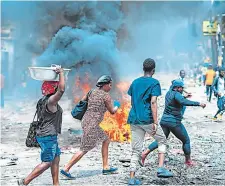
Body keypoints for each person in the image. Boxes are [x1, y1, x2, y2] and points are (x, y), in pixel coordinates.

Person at [60, 75, 120, 179]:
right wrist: (117, 106)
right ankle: (66, 168)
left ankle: (106, 167)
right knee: (84, 149)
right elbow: (112, 112)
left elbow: (83, 102)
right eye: (110, 85)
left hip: (86, 121)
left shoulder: (91, 92)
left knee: (106, 140)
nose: (110, 87)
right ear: (105, 85)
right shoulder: (106, 96)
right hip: (92, 125)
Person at [127, 58, 173, 185]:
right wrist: (155, 121)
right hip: (147, 119)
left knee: (135, 150)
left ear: (143, 69)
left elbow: (132, 101)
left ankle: (131, 178)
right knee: (162, 140)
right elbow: (153, 102)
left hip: (134, 119)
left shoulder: (135, 82)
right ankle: (160, 168)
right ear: (153, 70)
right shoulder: (154, 83)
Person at [141, 80, 206, 167]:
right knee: (186, 140)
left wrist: (184, 97)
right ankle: (188, 161)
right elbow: (183, 102)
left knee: (161, 140)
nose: (182, 89)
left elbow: (177, 100)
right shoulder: (177, 94)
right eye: (181, 88)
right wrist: (199, 103)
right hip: (174, 122)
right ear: (177, 88)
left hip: (164, 121)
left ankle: (144, 154)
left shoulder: (169, 93)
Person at [17, 67, 65, 186]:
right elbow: (62, 90)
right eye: (56, 86)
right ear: (53, 89)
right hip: (48, 136)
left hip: (47, 135)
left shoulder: (42, 100)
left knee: (56, 157)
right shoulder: (51, 101)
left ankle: (56, 183)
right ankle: (25, 181)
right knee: (47, 162)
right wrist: (61, 73)